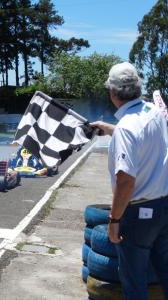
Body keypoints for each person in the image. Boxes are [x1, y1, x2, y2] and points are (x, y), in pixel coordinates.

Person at [90, 62, 168, 300]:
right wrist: (109, 128)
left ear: (112, 92)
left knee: (133, 280)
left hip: (137, 214)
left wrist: (114, 220)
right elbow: (141, 136)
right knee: (165, 271)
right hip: (163, 205)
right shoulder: (152, 112)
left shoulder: (126, 128)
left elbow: (125, 181)